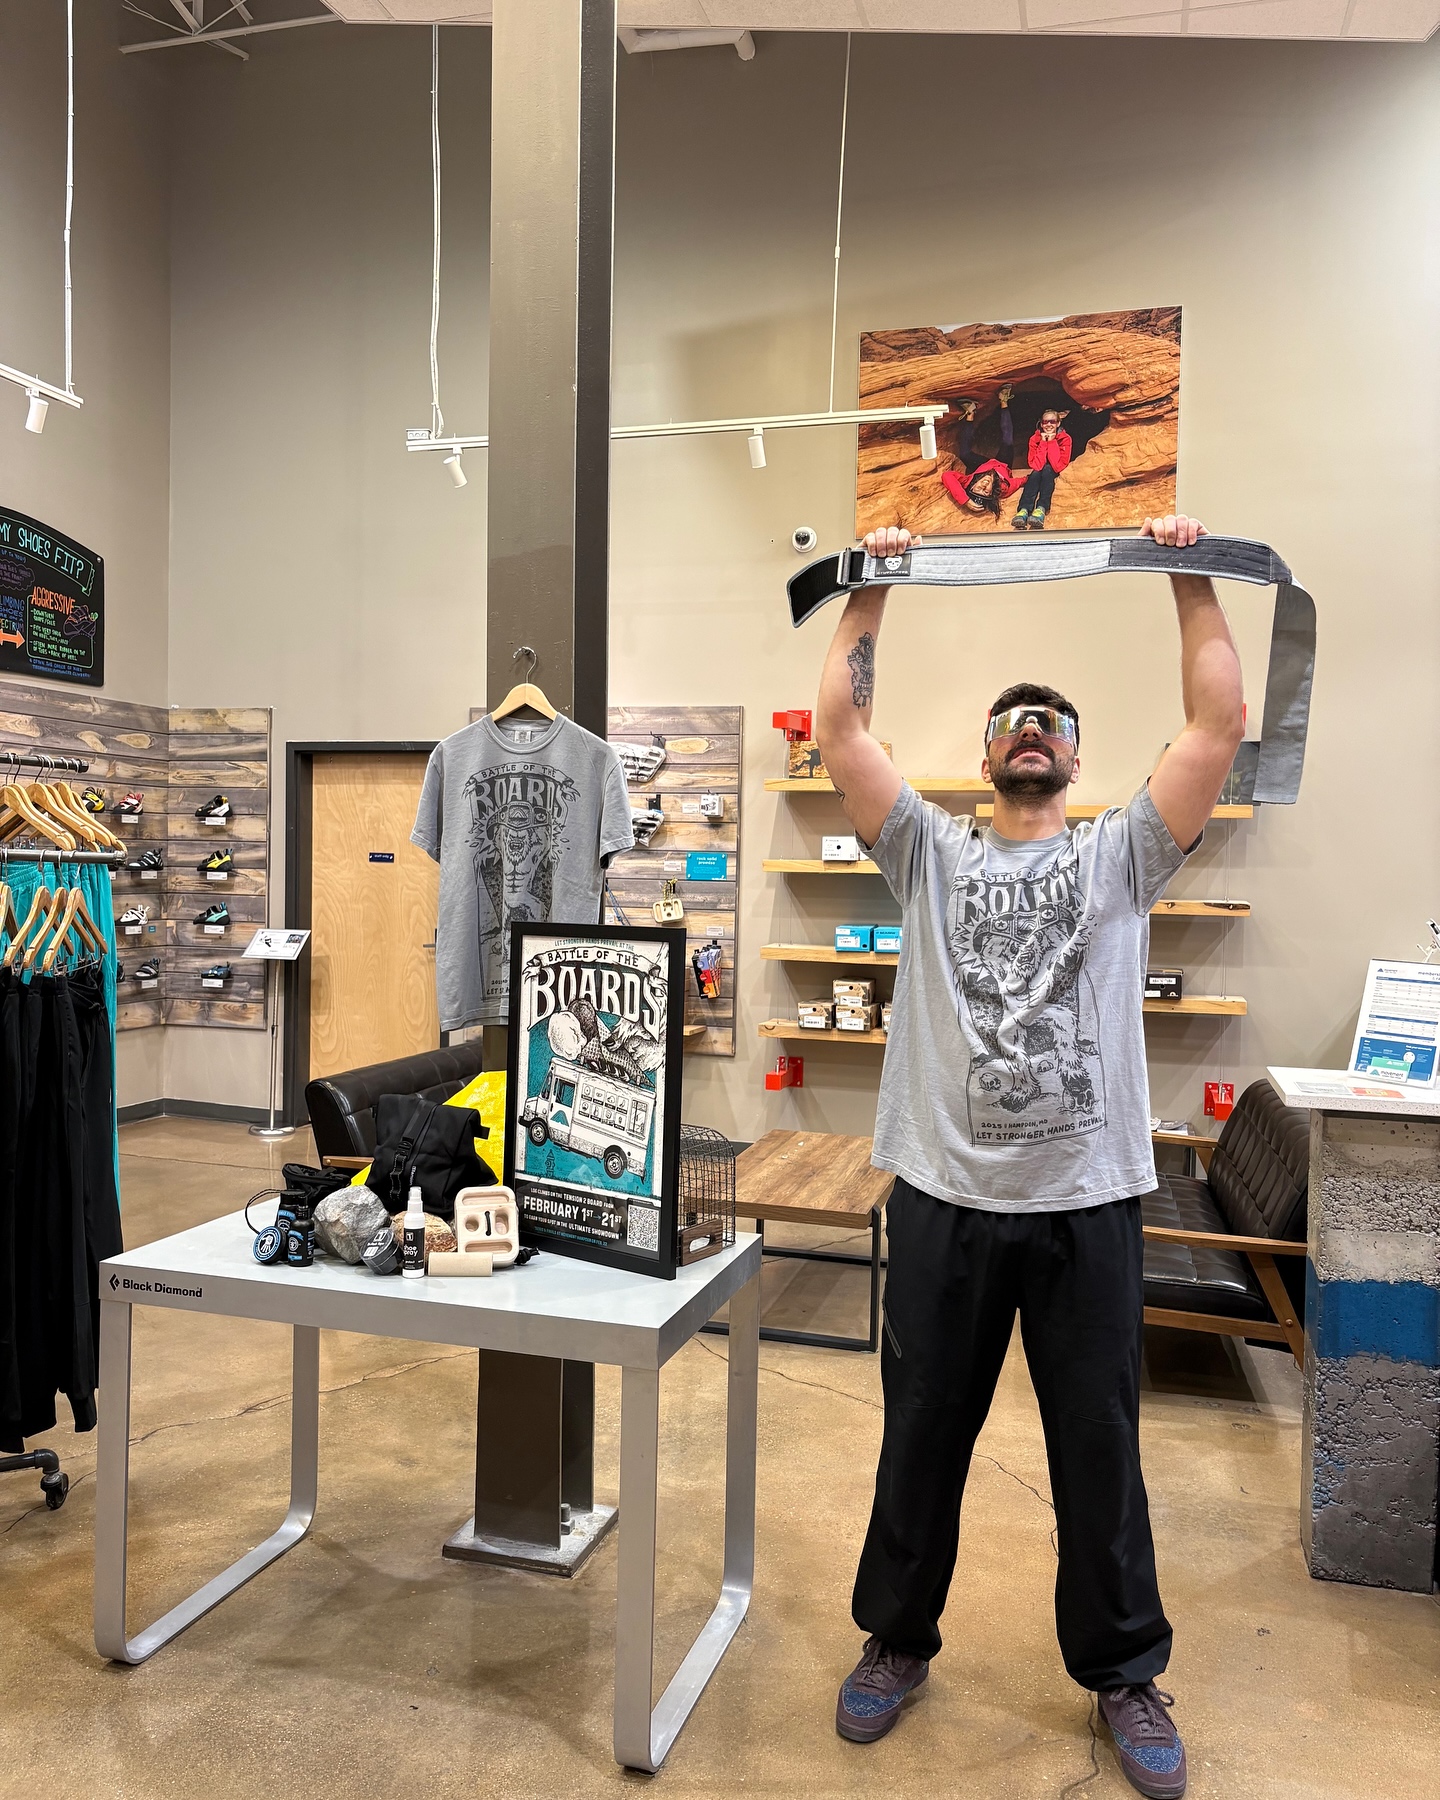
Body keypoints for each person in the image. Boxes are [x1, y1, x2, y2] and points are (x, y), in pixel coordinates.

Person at [815, 514, 1243, 1800]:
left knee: (1099, 1448)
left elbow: (1217, 724)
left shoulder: (1121, 855)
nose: (1032, 729)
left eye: (1052, 720)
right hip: (945, 1196)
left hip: (1087, 1203)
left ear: (1077, 757)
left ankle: (1124, 1672)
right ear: (986, 754)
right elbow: (840, 729)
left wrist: (1186, 571)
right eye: (1012, 719)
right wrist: (871, 585)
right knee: (920, 1436)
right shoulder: (928, 854)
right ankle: (898, 1639)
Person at [940, 387, 1023, 523]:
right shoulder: (1003, 488)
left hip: (984, 466)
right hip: (1003, 464)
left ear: (972, 486)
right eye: (985, 492)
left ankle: (970, 412)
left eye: (978, 488)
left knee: (965, 454)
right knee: (1007, 441)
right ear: (992, 492)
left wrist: (965, 500)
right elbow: (1021, 481)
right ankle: (1003, 400)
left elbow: (947, 476)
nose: (984, 486)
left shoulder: (968, 481)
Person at [1013, 405, 1072, 530]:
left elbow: (1057, 466)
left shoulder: (1065, 439)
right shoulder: (1034, 439)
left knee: (1047, 471)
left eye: (1052, 421)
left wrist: (1051, 442)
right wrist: (1044, 442)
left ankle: (1041, 509)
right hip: (1039, 469)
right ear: (1041, 424)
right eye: (1045, 422)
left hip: (1052, 469)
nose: (1049, 425)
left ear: (1058, 423)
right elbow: (1036, 465)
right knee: (1035, 473)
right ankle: (1024, 510)